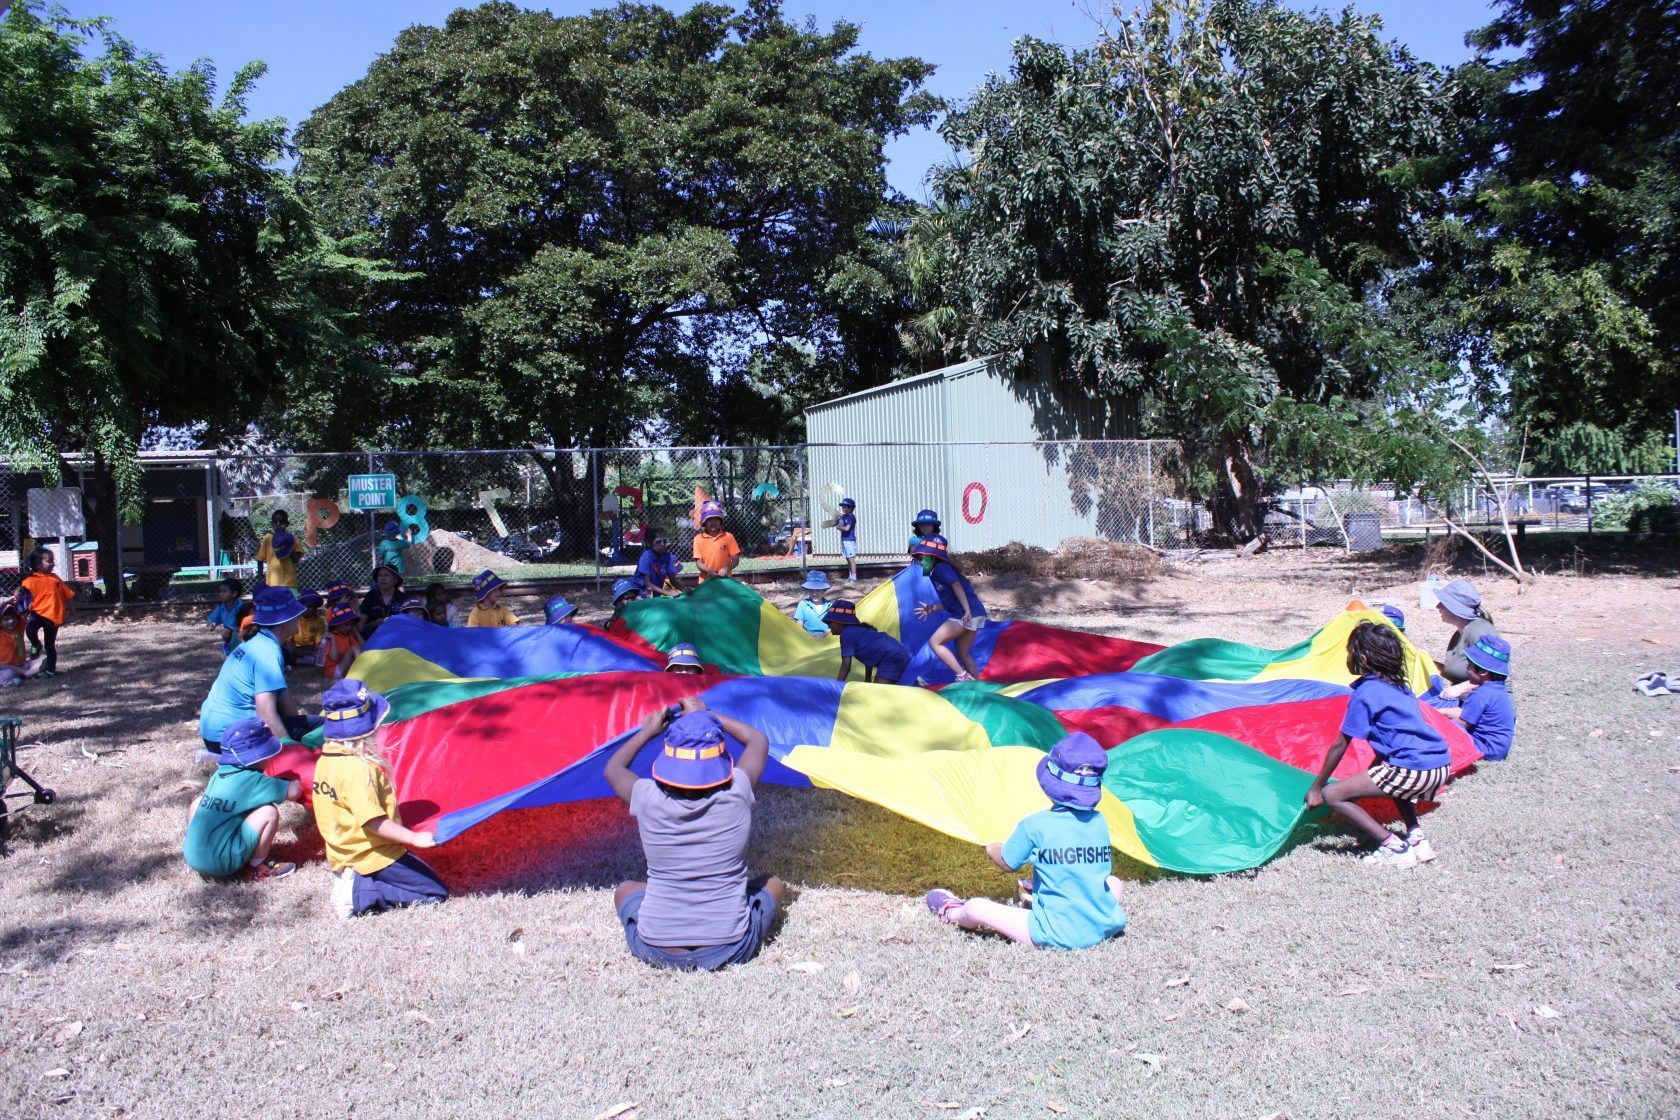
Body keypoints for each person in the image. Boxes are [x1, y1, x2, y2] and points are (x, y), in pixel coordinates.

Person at [604, 697, 783, 971]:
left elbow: (613, 769)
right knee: (772, 883)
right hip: (731, 946)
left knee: (625, 890)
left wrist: (647, 731)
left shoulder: (647, 796)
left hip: (656, 947)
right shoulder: (737, 793)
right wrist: (707, 716)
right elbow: (758, 740)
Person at [925, 732, 1127, 949]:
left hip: (1055, 934)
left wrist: (989, 845)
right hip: (1106, 922)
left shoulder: (1035, 825)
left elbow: (1006, 862)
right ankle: (1043, 899)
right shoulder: (1099, 822)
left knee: (977, 907)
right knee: (1114, 882)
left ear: (1048, 783)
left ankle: (952, 910)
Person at [1305, 621, 1453, 867]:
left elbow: (1341, 744)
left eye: (1350, 652)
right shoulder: (1400, 686)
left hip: (1412, 769)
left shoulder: (1365, 692)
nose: (1348, 656)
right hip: (1440, 766)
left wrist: (1317, 788)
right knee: (1392, 780)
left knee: (1334, 794)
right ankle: (1416, 837)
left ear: (1362, 657)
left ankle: (1394, 847)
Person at [310, 680, 447, 919]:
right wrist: (415, 838)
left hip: (344, 852)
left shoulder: (326, 759)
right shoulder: (356, 769)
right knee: (434, 894)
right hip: (373, 854)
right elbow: (374, 822)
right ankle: (360, 892)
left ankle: (356, 879)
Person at [198, 586, 322, 761]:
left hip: (215, 733)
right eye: (296, 614)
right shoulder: (268, 652)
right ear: (284, 620)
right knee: (324, 732)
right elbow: (265, 711)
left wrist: (296, 728)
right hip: (233, 739)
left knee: (316, 726)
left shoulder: (258, 642)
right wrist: (292, 751)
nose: (300, 617)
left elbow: (285, 702)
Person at [182, 719, 301, 882]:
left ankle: (200, 850)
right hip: (222, 862)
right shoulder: (253, 781)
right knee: (268, 812)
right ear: (259, 755)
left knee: (198, 802)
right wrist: (296, 779)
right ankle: (257, 868)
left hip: (193, 858)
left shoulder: (219, 774)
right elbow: (294, 792)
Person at [1427, 634, 1516, 763]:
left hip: (1484, 748)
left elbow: (1462, 723)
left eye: (1469, 665)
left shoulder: (1481, 694)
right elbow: (1468, 714)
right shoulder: (1498, 690)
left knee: (1436, 737)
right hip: (1498, 749)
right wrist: (1442, 712)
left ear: (1482, 672)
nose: (1467, 669)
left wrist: (1436, 725)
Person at [912, 535, 986, 681]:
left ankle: (962, 676)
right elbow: (951, 601)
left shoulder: (941, 568)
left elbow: (957, 586)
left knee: (935, 642)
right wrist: (932, 608)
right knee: (962, 651)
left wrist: (966, 611)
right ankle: (978, 684)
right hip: (976, 612)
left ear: (933, 558)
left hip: (966, 613)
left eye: (922, 557)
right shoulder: (937, 573)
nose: (920, 561)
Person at [824, 599, 911, 685]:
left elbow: (846, 664)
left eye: (830, 625)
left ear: (840, 623)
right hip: (898, 653)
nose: (829, 628)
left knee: (877, 692)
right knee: (878, 689)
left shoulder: (846, 634)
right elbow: (868, 657)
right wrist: (868, 679)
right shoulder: (859, 630)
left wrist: (837, 685)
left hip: (892, 656)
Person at [1433, 578, 1502, 684]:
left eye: (1443, 602)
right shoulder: (1459, 634)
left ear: (1454, 607)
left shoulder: (1480, 631)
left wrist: (1460, 689)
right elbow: (1457, 673)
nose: (1437, 606)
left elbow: (1495, 677)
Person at [21, 547, 74, 676]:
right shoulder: (29, 581)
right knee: (29, 630)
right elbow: (23, 599)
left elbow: (67, 595)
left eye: (53, 561)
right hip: (37, 614)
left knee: (49, 645)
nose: (52, 563)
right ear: (38, 564)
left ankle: (50, 671)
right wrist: (22, 611)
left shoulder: (55, 579)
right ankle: (36, 644)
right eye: (49, 561)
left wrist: (72, 609)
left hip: (52, 617)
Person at [255, 510, 306, 588]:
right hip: (272, 583)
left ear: (287, 524)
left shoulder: (293, 538)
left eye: (281, 522)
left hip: (290, 584)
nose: (278, 524)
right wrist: (260, 581)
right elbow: (260, 559)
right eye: (275, 522)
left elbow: (296, 560)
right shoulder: (268, 538)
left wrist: (288, 544)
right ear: (272, 524)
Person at [692, 501, 741, 583]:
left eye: (716, 519)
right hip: (706, 581)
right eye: (709, 519)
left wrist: (726, 568)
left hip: (725, 580)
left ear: (720, 521)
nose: (713, 522)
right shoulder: (698, 539)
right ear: (704, 522)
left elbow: (736, 560)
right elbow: (699, 564)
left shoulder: (728, 537)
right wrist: (709, 570)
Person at [0, 603, 47, 686]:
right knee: (9, 673)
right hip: (4, 667)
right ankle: (28, 674)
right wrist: (4, 602)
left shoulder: (19, 628)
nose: (11, 621)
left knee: (47, 659)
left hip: (22, 664)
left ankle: (26, 675)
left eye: (13, 618)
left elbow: (27, 609)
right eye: (6, 619)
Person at [321, 603, 364, 682]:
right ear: (337, 625)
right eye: (346, 625)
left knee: (357, 647)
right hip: (334, 671)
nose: (349, 627)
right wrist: (333, 640)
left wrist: (356, 633)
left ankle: (364, 670)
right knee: (354, 648)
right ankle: (364, 671)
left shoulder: (349, 634)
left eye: (351, 625)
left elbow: (363, 647)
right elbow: (334, 657)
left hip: (346, 667)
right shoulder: (332, 636)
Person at [635, 530, 685, 597]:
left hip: (655, 594)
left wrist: (684, 590)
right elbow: (647, 583)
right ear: (648, 543)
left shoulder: (667, 557)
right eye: (658, 542)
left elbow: (673, 580)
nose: (663, 544)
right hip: (641, 592)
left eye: (665, 541)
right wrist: (668, 593)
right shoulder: (646, 557)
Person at [359, 565, 404, 638]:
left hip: (397, 638)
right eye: (380, 576)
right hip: (373, 638)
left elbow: (409, 624)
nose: (383, 578)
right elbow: (360, 627)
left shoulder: (402, 598)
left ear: (395, 579)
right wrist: (375, 623)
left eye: (387, 575)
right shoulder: (371, 596)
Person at [207, 577, 244, 655]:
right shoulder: (221, 607)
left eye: (224, 591)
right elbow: (213, 618)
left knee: (230, 634)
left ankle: (235, 649)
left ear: (234, 594)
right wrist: (211, 624)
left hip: (241, 633)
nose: (220, 594)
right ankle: (230, 646)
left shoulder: (241, 606)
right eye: (220, 591)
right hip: (230, 633)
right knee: (226, 632)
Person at [290, 590, 327, 668]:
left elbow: (318, 643)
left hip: (310, 649)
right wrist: (294, 649)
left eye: (314, 607)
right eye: (308, 606)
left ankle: (299, 661)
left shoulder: (319, 621)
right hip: (295, 648)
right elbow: (288, 640)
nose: (311, 609)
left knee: (319, 658)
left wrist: (315, 650)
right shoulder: (294, 619)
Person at [793, 570, 832, 637]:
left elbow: (834, 626)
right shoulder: (803, 604)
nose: (814, 593)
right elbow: (799, 626)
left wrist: (823, 636)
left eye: (818, 590)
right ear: (808, 590)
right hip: (808, 640)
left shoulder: (830, 606)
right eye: (811, 590)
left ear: (824, 590)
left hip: (827, 639)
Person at [835, 497, 859, 581]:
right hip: (844, 540)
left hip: (849, 540)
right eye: (842, 506)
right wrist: (837, 518)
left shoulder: (851, 517)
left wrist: (839, 527)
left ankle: (854, 577)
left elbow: (847, 528)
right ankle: (850, 576)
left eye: (845, 506)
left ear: (850, 508)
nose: (843, 508)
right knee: (847, 558)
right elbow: (835, 523)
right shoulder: (844, 516)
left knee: (851, 559)